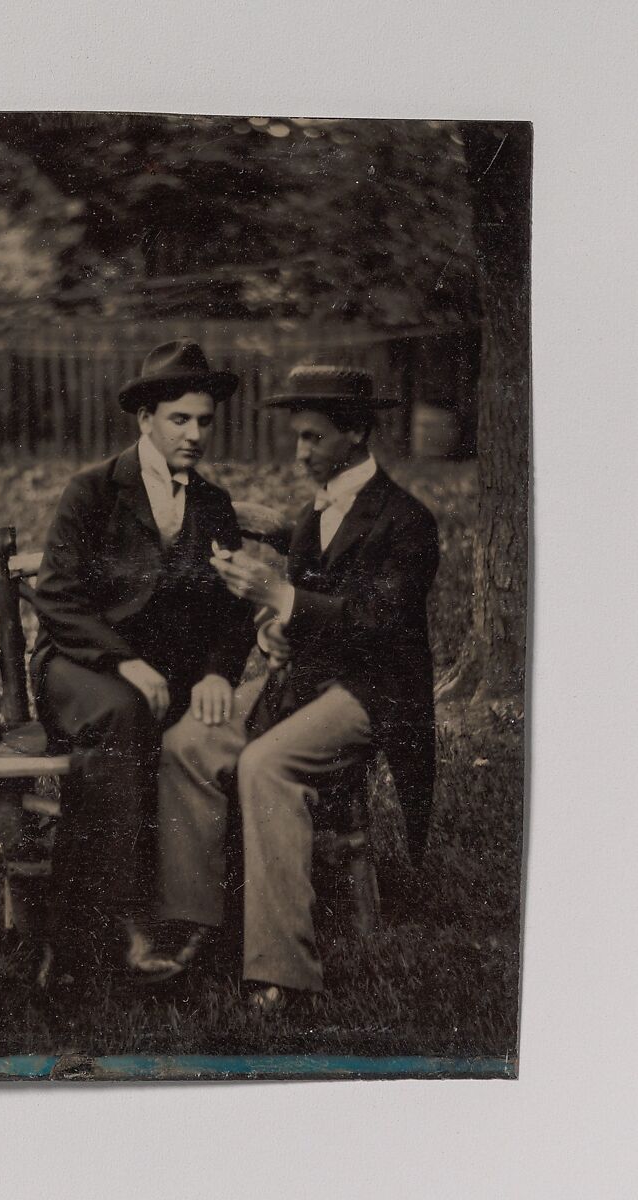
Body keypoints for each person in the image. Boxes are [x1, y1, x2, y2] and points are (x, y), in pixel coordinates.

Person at [156, 363, 440, 1011]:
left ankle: (281, 971)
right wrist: (272, 634)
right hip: (306, 678)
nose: (300, 452)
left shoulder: (407, 522)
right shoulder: (315, 515)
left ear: (356, 434)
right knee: (188, 743)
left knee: (265, 764)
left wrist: (280, 595)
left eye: (312, 438)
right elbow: (307, 614)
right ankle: (194, 926)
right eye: (298, 437)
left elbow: (377, 623)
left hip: (373, 693)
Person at [30, 339, 254, 984]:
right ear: (146, 420)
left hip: (169, 676)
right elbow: (58, 599)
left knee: (179, 729)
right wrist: (124, 660)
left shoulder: (210, 503)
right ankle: (113, 926)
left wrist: (215, 670)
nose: (193, 434)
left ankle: (124, 924)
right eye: (179, 419)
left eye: (204, 421)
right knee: (123, 716)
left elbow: (229, 609)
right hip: (81, 663)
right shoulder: (94, 489)